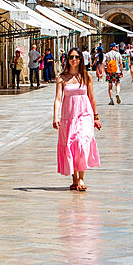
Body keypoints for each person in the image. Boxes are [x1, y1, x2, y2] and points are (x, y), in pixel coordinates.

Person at [54, 50, 101, 191]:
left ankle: (81, 178)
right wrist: (55, 117)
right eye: (71, 57)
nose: (74, 59)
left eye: (76, 57)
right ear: (67, 59)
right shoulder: (62, 78)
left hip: (85, 114)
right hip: (68, 116)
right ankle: (74, 178)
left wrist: (96, 116)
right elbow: (58, 99)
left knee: (82, 143)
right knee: (71, 145)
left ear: (81, 59)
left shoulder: (86, 77)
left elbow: (92, 98)